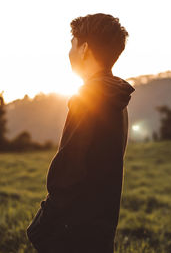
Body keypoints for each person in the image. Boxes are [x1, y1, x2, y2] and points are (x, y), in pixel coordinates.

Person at [26, 13, 135, 253]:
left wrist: (43, 223)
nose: (69, 52)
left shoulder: (88, 98)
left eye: (72, 44)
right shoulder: (117, 97)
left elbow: (69, 168)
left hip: (72, 232)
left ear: (84, 48)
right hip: (101, 227)